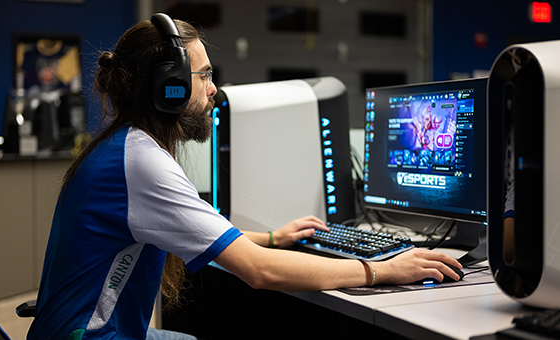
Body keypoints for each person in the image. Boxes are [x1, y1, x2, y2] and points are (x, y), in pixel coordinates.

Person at [27, 13, 462, 340]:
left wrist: (273, 237)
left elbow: (210, 235)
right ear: (170, 87)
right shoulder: (142, 163)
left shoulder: (123, 146)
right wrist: (380, 270)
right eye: (204, 76)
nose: (215, 89)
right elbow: (258, 273)